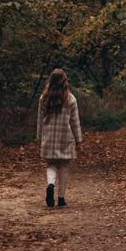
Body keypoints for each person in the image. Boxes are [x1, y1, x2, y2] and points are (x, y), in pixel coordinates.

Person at [36, 68, 82, 208]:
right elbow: (74, 121)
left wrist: (39, 137)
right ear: (64, 81)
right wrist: (78, 139)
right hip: (65, 136)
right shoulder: (70, 99)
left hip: (49, 136)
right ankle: (61, 198)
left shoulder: (43, 98)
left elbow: (40, 120)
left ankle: (50, 184)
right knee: (64, 166)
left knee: (51, 164)